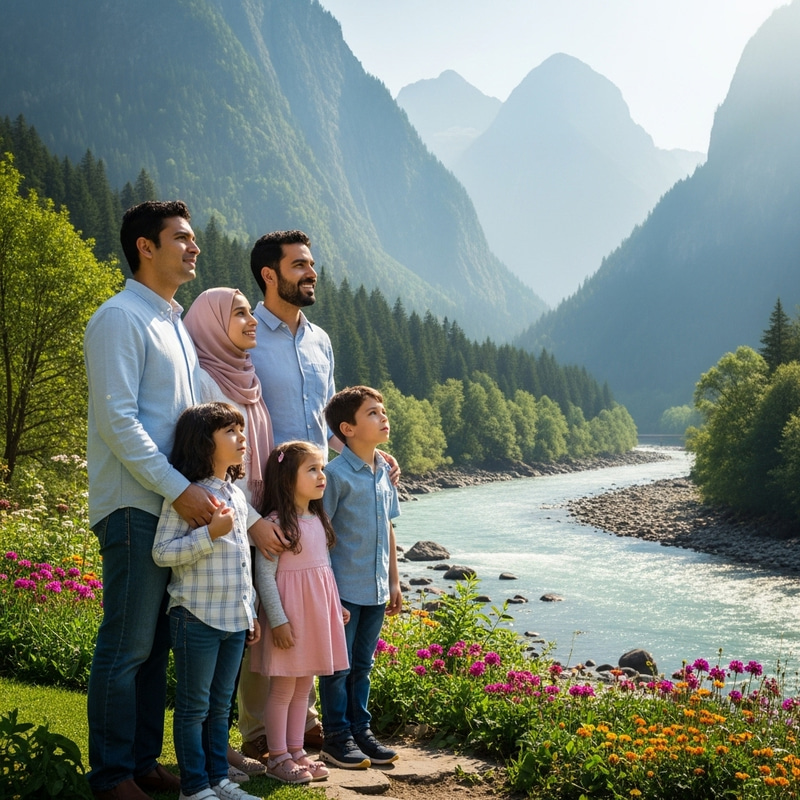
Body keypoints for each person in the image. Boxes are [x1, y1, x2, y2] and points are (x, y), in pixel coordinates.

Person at [85, 200, 218, 800]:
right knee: (127, 645)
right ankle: (112, 776)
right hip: (135, 505)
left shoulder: (174, 324)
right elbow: (119, 421)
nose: (194, 248)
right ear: (145, 246)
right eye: (181, 238)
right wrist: (180, 489)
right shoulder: (119, 318)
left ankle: (141, 763)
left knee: (157, 645)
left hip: (170, 505)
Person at [183, 288, 275, 782]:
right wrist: (245, 517)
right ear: (213, 323)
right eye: (239, 313)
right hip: (219, 515)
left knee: (239, 639)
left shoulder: (249, 379)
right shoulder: (203, 377)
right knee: (204, 679)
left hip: (246, 513)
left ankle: (222, 752)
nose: (251, 319)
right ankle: (210, 759)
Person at [152, 403, 262, 800]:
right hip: (196, 616)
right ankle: (194, 787)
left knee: (219, 708)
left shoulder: (236, 495)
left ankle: (219, 781)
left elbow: (243, 562)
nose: (242, 438)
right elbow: (162, 552)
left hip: (234, 619)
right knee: (194, 707)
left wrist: (250, 611)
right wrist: (210, 533)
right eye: (230, 431)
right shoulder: (187, 495)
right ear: (203, 442)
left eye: (241, 430)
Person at [253, 441, 350, 784]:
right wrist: (278, 620)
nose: (322, 475)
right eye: (312, 469)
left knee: (304, 688)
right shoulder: (276, 523)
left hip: (314, 616)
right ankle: (277, 756)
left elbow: (323, 569)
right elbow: (264, 577)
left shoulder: (318, 519)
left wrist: (335, 604)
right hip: (289, 618)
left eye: (322, 468)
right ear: (286, 478)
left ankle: (296, 751)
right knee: (283, 689)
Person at [318, 386, 402, 769]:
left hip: (377, 589)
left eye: (382, 410)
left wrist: (395, 581)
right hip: (344, 591)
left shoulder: (384, 471)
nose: (383, 417)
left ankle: (360, 731)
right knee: (339, 667)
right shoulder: (334, 476)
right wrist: (328, 593)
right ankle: (336, 737)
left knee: (363, 665)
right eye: (372, 412)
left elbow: (389, 527)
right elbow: (320, 535)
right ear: (347, 429)